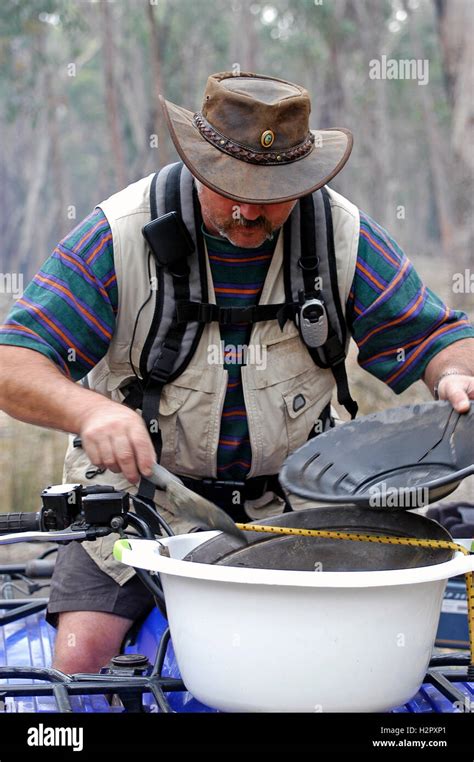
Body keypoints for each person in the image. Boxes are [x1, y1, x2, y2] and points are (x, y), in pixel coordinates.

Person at [0, 71, 472, 674]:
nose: (248, 207)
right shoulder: (118, 233)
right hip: (138, 506)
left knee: (332, 665)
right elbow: (15, 363)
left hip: (293, 514)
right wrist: (91, 410)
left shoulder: (340, 236)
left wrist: (453, 375)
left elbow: (438, 336)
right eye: (229, 185)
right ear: (198, 164)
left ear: (305, 180)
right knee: (83, 658)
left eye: (271, 190)